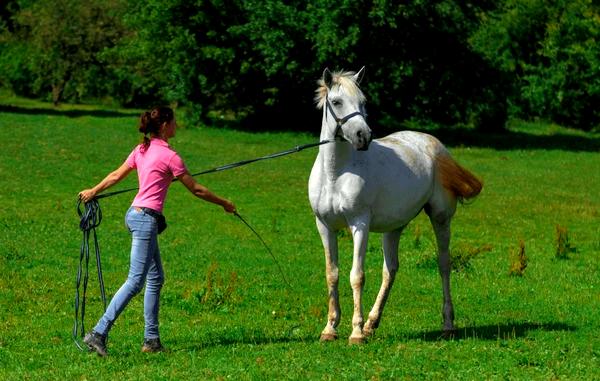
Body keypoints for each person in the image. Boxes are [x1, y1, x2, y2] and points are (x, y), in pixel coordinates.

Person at [78, 106, 236, 356]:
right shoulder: (170, 156)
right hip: (145, 220)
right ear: (164, 125)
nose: (177, 126)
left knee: (155, 278)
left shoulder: (142, 149)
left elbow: (116, 175)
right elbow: (196, 189)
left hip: (135, 216)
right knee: (135, 280)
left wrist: (94, 190)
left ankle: (151, 341)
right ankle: (98, 333)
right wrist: (224, 203)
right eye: (174, 121)